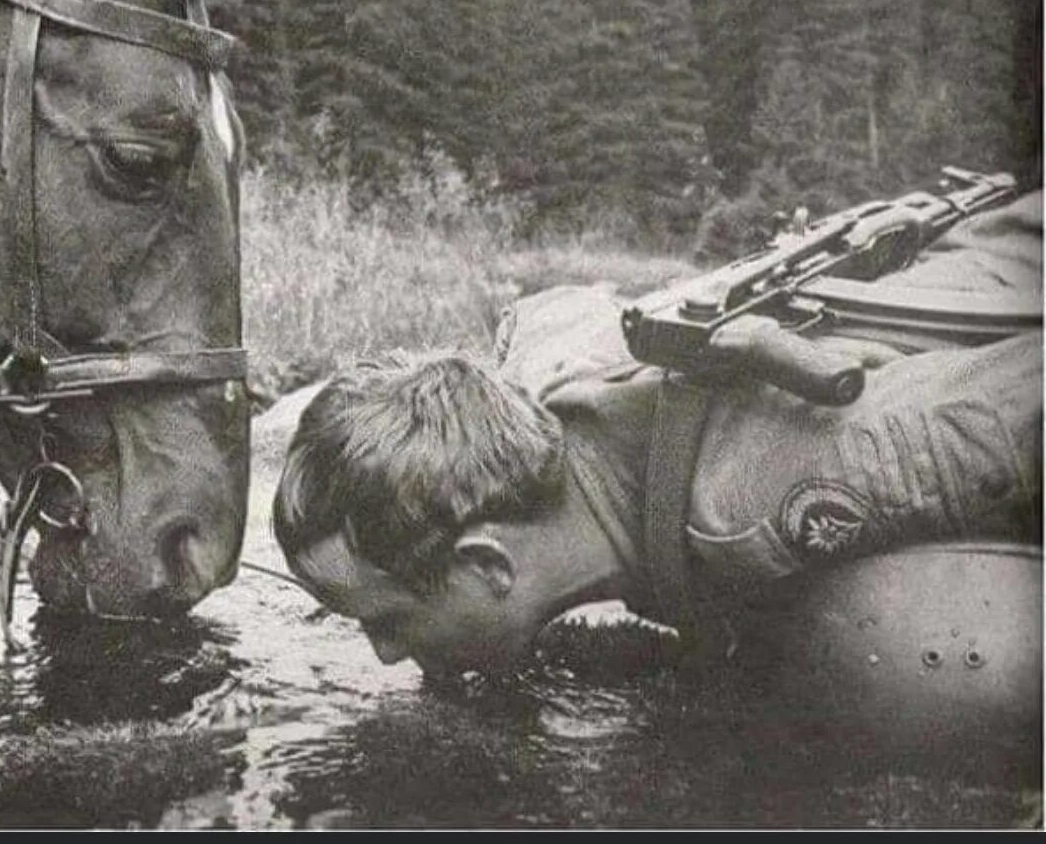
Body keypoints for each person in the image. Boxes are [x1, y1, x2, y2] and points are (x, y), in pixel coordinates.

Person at [271, 192, 1043, 678]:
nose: (382, 654)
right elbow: (549, 306)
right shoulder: (540, 382)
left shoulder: (785, 489)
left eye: (389, 619)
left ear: (487, 564)